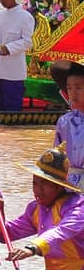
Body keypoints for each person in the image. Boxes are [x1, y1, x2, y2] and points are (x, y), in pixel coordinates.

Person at [2, 146, 84, 270]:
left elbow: (61, 231)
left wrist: (32, 248)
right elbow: (7, 233)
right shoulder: (35, 209)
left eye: (44, 184)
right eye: (35, 183)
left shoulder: (79, 207)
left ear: (59, 185)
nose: (37, 191)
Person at [54, 61, 84, 190]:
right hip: (69, 184)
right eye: (69, 88)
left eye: (78, 88)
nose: (73, 93)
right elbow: (56, 157)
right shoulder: (65, 122)